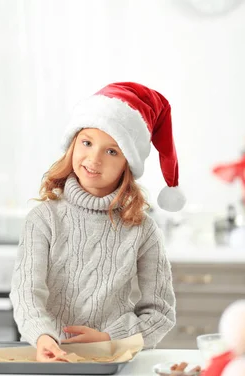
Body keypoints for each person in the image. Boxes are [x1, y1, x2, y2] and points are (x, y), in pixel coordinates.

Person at [10, 82, 185, 360]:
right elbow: (26, 293)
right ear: (73, 144)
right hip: (49, 360)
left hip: (114, 361)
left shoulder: (143, 230)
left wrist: (109, 340)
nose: (94, 158)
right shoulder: (44, 218)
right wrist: (43, 336)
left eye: (112, 151)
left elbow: (160, 313)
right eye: (87, 143)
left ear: (128, 165)